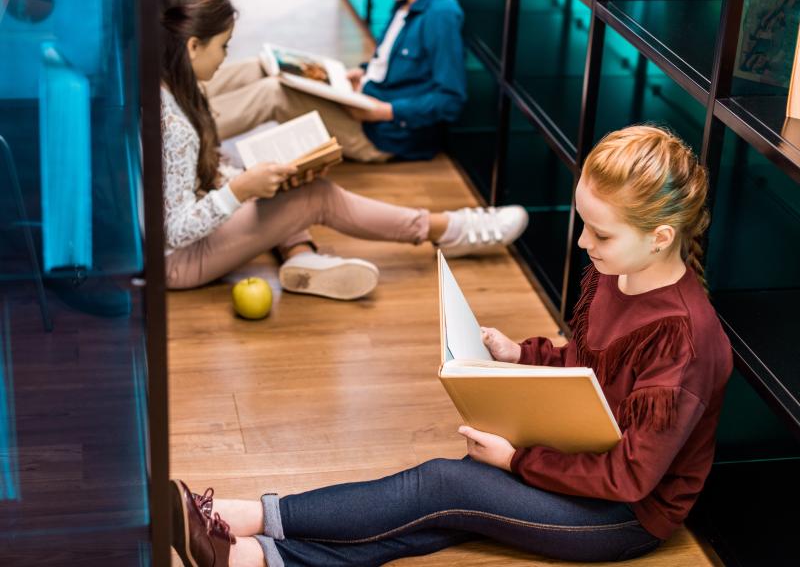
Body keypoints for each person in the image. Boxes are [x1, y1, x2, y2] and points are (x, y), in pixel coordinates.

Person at [168, 125, 734, 566]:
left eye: (600, 233)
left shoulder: (684, 342)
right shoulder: (620, 268)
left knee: (448, 485)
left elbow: (632, 478)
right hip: (582, 460)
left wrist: (517, 460)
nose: (584, 241)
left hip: (626, 515)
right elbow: (585, 362)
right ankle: (253, 556)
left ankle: (246, 517)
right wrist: (522, 354)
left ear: (661, 237)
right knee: (444, 505)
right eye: (584, 223)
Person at [160, 0, 526, 299]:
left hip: (177, 243)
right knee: (315, 195)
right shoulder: (177, 126)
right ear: (192, 46)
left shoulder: (161, 86)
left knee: (274, 178)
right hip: (180, 258)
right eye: (223, 46)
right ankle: (449, 229)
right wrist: (240, 189)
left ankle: (301, 255)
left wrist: (242, 183)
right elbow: (176, 231)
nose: (225, 56)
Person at [207, 0, 466, 163]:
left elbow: (451, 100)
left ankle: (191, 135)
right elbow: (389, 62)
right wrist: (363, 73)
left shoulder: (441, 15)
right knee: (260, 65)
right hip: (361, 102)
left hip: (381, 134)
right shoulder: (405, 1)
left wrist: (385, 111)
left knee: (275, 94)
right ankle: (186, 102)